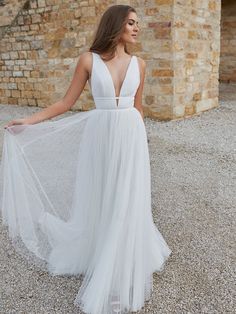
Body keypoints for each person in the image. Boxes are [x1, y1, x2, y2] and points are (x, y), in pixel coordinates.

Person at [0, 4, 172, 314]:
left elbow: (138, 107)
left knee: (127, 199)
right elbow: (67, 102)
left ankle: (119, 275)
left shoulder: (140, 65)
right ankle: (102, 257)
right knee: (103, 195)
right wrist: (29, 121)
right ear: (116, 24)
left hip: (131, 138)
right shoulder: (88, 61)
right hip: (101, 138)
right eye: (131, 23)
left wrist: (141, 142)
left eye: (137, 24)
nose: (136, 28)